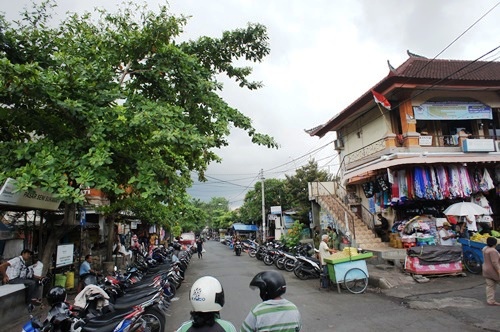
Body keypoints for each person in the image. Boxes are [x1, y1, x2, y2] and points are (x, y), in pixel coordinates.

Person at [482, 237, 500, 306]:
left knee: (490, 286)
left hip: (486, 269)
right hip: (493, 271)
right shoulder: (493, 251)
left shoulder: (485, 249)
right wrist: (499, 270)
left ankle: (490, 300)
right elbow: (495, 262)